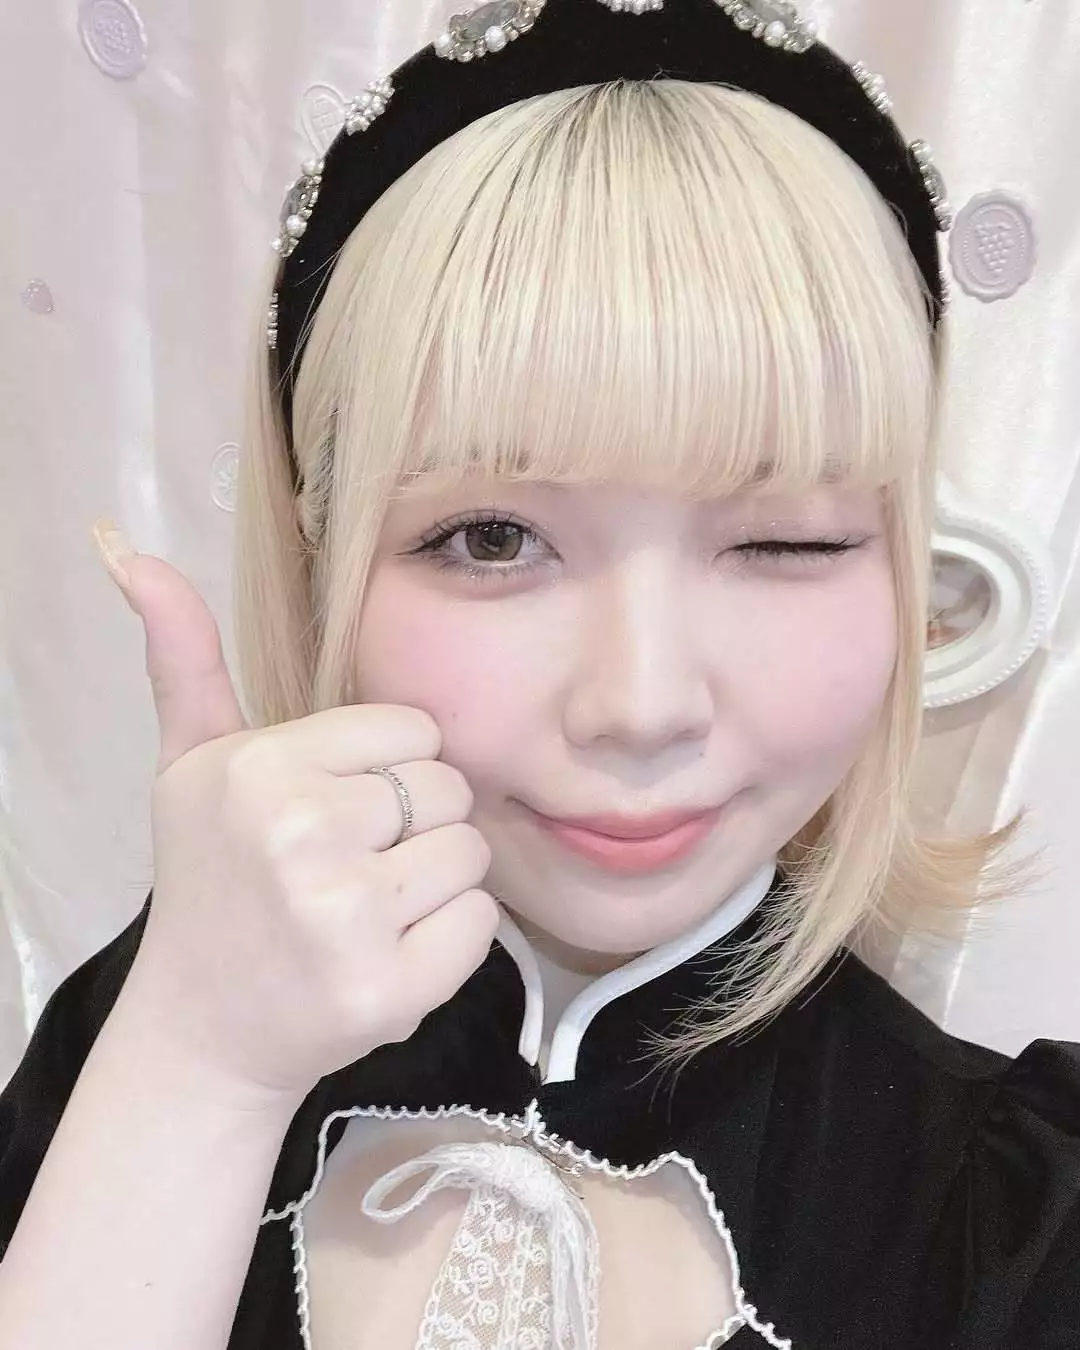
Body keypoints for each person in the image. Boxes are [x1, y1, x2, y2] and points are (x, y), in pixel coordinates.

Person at [0, 0, 1077, 1346]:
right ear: (325, 560)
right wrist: (198, 1070)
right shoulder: (142, 1039)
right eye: (493, 539)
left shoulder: (1019, 1220)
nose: (641, 705)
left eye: (785, 540)